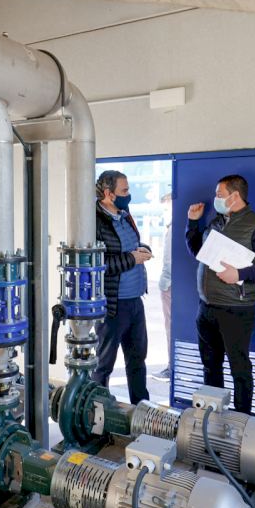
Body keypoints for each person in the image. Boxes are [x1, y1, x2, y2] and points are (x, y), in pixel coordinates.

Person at [185, 175, 255, 414]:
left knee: (239, 369)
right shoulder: (216, 222)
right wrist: (193, 224)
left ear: (235, 196)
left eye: (219, 195)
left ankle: (242, 420)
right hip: (206, 307)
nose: (215, 199)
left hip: (236, 309)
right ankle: (213, 417)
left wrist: (239, 273)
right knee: (210, 366)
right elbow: (199, 252)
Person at [94, 170, 152, 404]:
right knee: (104, 364)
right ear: (109, 193)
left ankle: (142, 408)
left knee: (137, 360)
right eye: (124, 190)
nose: (129, 195)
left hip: (135, 301)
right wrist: (131, 259)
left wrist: (142, 250)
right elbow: (97, 264)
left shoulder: (125, 215)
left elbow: (129, 247)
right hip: (113, 306)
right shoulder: (94, 221)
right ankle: (97, 409)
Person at [153, 193, 173, 381]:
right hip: (171, 284)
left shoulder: (174, 228)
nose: (164, 213)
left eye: (166, 208)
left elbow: (169, 262)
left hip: (170, 285)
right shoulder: (172, 227)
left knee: (171, 326)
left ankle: (172, 368)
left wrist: (165, 284)